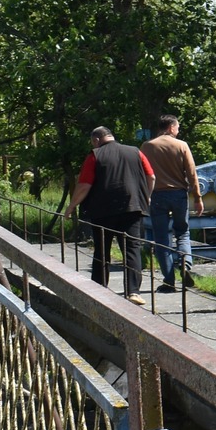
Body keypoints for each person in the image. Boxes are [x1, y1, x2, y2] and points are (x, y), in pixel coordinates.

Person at [65, 126, 156, 305]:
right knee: (132, 249)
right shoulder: (135, 152)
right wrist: (146, 196)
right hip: (132, 208)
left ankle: (99, 290)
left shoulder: (94, 155)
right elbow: (151, 176)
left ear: (96, 140)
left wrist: (71, 206)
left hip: (103, 211)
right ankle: (133, 292)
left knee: (102, 250)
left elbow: (84, 185)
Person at [141, 114, 205, 294]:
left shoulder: (147, 146)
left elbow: (142, 173)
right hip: (179, 195)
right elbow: (192, 174)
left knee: (161, 239)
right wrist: (198, 198)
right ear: (170, 127)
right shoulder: (181, 145)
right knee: (182, 233)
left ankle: (169, 281)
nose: (178, 130)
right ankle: (185, 264)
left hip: (157, 196)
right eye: (177, 127)